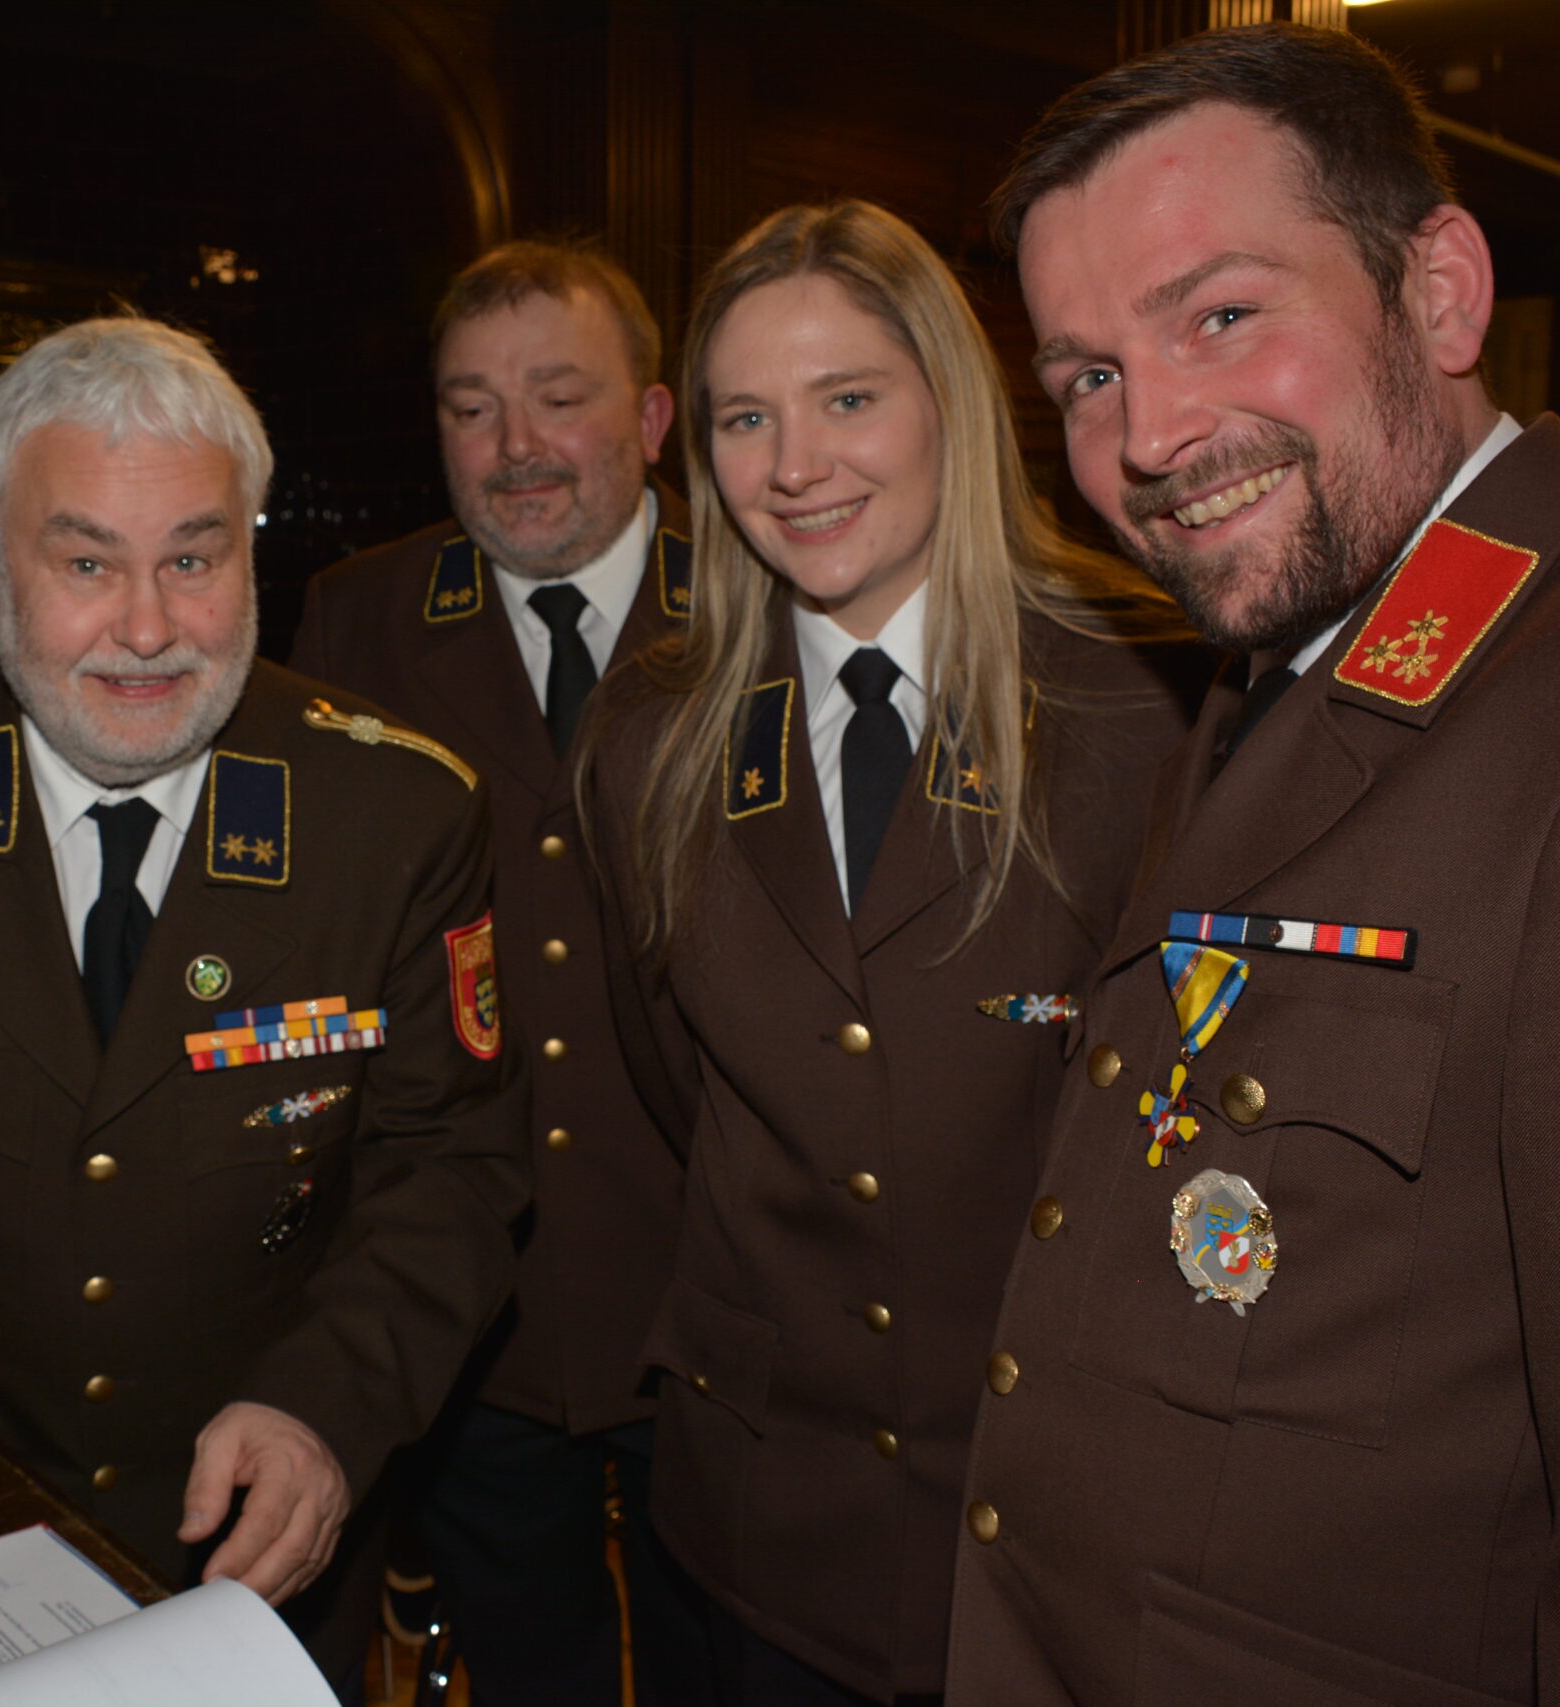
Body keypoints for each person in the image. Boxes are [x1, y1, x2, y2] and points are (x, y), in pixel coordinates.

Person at [953, 23, 1560, 1704]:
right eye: (1087, 376)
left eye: (1220, 317)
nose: (1152, 435)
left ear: (1441, 293)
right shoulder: (1291, 653)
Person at [0, 315, 533, 1701]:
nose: (147, 629)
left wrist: (329, 1411)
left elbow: (452, 1166)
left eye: (193, 559)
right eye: (86, 563)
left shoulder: (396, 816)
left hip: (262, 1540)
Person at [576, 200, 1200, 1706]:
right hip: (757, 1524)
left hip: (1057, 1520)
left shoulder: (1149, 699)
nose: (795, 467)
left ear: (951, 405)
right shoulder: (652, 737)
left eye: (848, 398)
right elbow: (675, 1088)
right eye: (746, 419)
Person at [290, 239, 710, 1706]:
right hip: (478, 1311)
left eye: (557, 396)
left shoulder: (768, 596)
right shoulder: (358, 622)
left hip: (717, 1297)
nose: (515, 444)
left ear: (651, 417)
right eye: (472, 408)